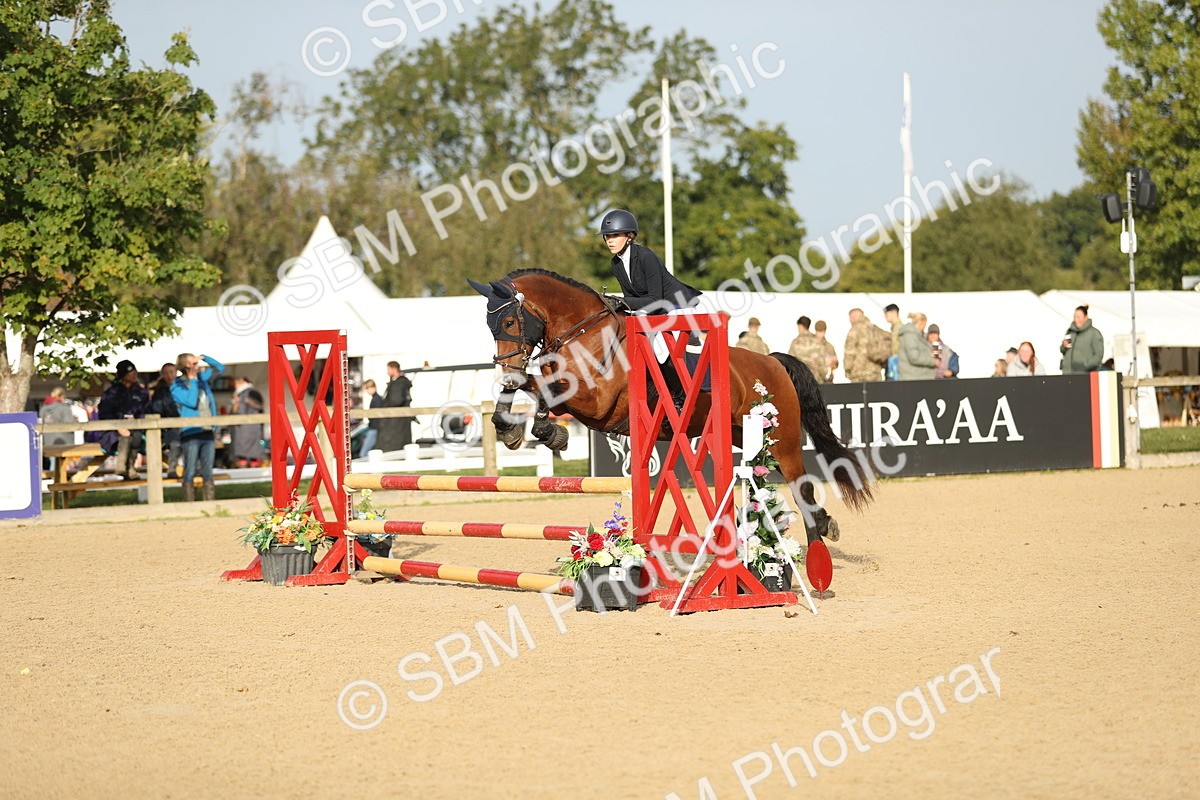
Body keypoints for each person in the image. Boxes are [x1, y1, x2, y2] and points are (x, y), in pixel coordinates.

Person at [171, 352, 225, 501]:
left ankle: (209, 502)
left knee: (208, 470)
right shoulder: (177, 385)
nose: (196, 366)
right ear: (184, 366)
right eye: (193, 363)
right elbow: (191, 401)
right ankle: (190, 503)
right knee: (190, 469)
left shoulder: (202, 379)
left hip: (207, 429)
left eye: (196, 363)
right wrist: (193, 381)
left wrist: (204, 357)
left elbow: (220, 368)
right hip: (190, 432)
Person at [98, 360, 150, 480]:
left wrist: (138, 420)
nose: (134, 374)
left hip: (136, 427)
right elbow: (105, 413)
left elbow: (146, 410)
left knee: (136, 436)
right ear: (123, 375)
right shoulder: (112, 393)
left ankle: (129, 467)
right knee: (126, 436)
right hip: (113, 430)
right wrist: (118, 426)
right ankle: (122, 466)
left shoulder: (141, 392)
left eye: (134, 371)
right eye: (130, 372)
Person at [148, 363, 182, 478]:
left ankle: (196, 468)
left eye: (171, 372)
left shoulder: (183, 387)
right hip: (168, 427)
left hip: (186, 424)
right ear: (162, 375)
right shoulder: (160, 392)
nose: (169, 375)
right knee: (175, 441)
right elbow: (157, 410)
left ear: (176, 372)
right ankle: (172, 468)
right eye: (166, 373)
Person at [843, 308, 890, 383]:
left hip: (858, 374)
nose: (850, 320)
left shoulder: (854, 330)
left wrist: (847, 369)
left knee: (858, 394)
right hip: (875, 372)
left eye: (850, 318)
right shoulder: (875, 329)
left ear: (853, 317)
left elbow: (849, 352)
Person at [376, 361, 414, 453]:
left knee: (393, 448)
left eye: (388, 369)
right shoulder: (400, 383)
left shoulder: (399, 384)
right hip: (398, 421)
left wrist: (385, 407)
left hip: (394, 422)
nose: (387, 372)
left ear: (394, 369)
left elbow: (396, 400)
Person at [231, 376, 265, 467]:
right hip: (243, 427)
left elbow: (259, 406)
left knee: (250, 452)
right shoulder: (240, 394)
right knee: (243, 453)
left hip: (250, 426)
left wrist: (242, 401)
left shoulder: (251, 392)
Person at [1060, 305, 1104, 373]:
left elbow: (1098, 355)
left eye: (1078, 317)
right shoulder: (1070, 331)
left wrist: (1085, 365)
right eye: (1074, 317)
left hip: (1084, 374)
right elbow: (1062, 350)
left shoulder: (1094, 333)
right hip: (1067, 373)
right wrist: (1064, 346)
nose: (1076, 320)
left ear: (1085, 317)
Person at [897, 313, 937, 380]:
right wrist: (933, 362)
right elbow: (914, 358)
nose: (925, 327)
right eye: (925, 324)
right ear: (920, 322)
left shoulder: (918, 336)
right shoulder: (910, 336)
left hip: (919, 378)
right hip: (912, 378)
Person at [359, 379, 380, 456]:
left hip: (374, 429)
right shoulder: (376, 399)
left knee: (363, 453)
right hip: (374, 428)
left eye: (367, 388)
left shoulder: (376, 400)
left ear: (372, 387)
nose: (367, 391)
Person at [883, 303, 902, 380]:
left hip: (897, 365)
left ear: (894, 313)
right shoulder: (894, 328)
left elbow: (897, 348)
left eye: (887, 314)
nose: (885, 316)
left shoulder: (899, 328)